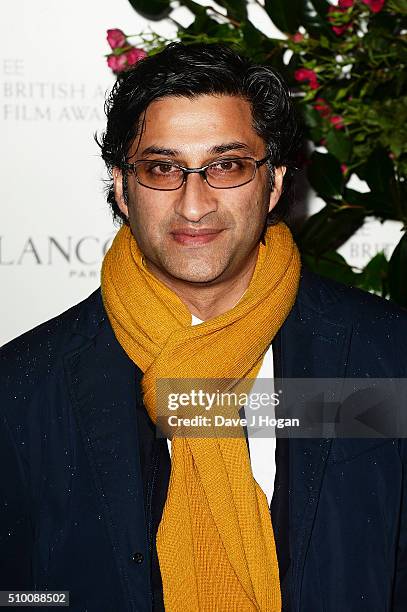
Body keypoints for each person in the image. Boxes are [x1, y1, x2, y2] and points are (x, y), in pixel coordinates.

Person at [1, 42, 406, 612]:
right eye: (162, 168)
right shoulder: (23, 388)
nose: (194, 205)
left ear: (274, 183)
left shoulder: (388, 357)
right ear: (121, 185)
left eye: (228, 166)